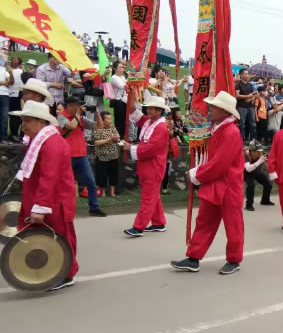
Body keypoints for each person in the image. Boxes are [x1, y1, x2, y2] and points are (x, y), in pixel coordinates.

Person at [171, 91, 244, 275]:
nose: (211, 109)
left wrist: (197, 174)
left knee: (233, 225)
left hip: (228, 185)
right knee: (204, 221)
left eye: (215, 106)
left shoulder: (231, 132)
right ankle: (193, 257)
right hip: (214, 182)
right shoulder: (216, 127)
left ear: (224, 111)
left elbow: (220, 163)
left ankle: (234, 259)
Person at [11, 101, 78, 291]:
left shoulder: (52, 143)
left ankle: (66, 274)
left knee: (59, 238)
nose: (23, 125)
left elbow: (49, 177)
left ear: (41, 122)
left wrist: (40, 206)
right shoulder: (38, 139)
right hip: (41, 198)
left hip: (54, 200)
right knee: (40, 238)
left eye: (28, 121)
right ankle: (47, 271)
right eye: (23, 120)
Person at [122, 95, 170, 237]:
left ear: (159, 111)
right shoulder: (149, 121)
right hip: (146, 165)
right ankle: (158, 223)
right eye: (147, 108)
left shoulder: (161, 128)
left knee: (147, 198)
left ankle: (138, 227)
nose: (148, 110)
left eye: (151, 108)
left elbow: (151, 148)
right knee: (153, 196)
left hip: (154, 166)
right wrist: (131, 91)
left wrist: (130, 147)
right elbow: (132, 110)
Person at [58, 97, 107, 217]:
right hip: (67, 156)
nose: (80, 107)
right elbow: (71, 126)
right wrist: (78, 114)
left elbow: (99, 127)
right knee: (65, 185)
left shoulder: (81, 118)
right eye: (77, 105)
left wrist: (97, 113)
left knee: (91, 182)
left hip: (81, 156)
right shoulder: (61, 117)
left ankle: (94, 207)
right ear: (70, 105)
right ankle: (62, 208)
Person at [92, 110, 120, 197]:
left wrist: (116, 139)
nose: (110, 121)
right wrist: (109, 139)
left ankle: (112, 192)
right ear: (102, 120)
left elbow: (118, 138)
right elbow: (96, 142)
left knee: (113, 174)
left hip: (113, 155)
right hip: (102, 157)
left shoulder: (112, 126)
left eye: (111, 119)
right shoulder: (97, 128)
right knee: (102, 175)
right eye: (108, 119)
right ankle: (103, 192)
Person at [244, 140, 274, 211]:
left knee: (268, 184)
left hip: (255, 171)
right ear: (252, 151)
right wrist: (260, 161)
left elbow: (271, 160)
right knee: (251, 186)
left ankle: (265, 200)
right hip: (246, 172)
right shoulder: (245, 155)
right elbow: (248, 169)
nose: (260, 153)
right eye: (257, 151)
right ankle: (249, 205)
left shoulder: (261, 154)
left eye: (260, 151)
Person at [235, 68, 256, 141]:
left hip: (250, 106)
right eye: (246, 74)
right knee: (242, 124)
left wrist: (251, 98)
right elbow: (237, 95)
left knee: (253, 123)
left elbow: (253, 94)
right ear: (241, 75)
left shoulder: (250, 84)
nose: (247, 75)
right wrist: (248, 96)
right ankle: (242, 140)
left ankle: (253, 139)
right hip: (242, 107)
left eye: (248, 74)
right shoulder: (238, 84)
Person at [110, 61, 128, 138]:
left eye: (123, 67)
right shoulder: (114, 77)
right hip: (118, 101)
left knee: (124, 120)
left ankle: (121, 137)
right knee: (119, 121)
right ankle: (118, 137)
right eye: (120, 67)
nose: (122, 69)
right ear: (115, 69)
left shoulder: (123, 77)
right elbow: (123, 86)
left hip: (124, 101)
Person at [8, 56, 24, 143]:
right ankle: (14, 134)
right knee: (15, 116)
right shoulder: (21, 71)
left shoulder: (13, 71)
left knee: (14, 116)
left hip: (13, 94)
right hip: (16, 94)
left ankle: (14, 134)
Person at [0, 50, 13, 143]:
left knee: (4, 117)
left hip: (5, 95)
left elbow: (10, 82)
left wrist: (11, 73)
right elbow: (6, 82)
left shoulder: (4, 69)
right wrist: (4, 82)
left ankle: (3, 137)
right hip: (4, 94)